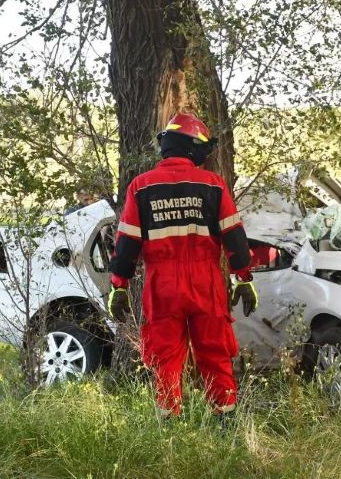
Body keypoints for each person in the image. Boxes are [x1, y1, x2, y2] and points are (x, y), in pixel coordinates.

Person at [108, 113, 258, 418]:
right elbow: (234, 236)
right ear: (192, 146)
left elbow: (126, 244)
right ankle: (225, 422)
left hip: (162, 285)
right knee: (215, 353)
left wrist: (119, 286)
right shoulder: (213, 184)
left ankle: (169, 427)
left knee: (164, 358)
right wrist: (243, 278)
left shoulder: (140, 186)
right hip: (205, 283)